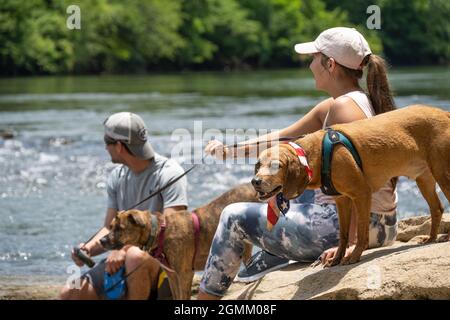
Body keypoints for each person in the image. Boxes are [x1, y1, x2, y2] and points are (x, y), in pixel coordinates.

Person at [199, 27, 398, 299]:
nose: (310, 64)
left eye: (314, 57)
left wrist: (352, 243)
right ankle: (276, 251)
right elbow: (282, 138)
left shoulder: (344, 110)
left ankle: (203, 302)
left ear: (330, 64)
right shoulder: (342, 103)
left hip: (361, 225)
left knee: (233, 216)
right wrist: (229, 151)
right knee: (289, 182)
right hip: (380, 223)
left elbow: (357, 184)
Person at [59, 112, 188, 300]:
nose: (104, 147)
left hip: (163, 266)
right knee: (69, 293)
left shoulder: (170, 173)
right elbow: (108, 228)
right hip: (126, 261)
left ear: (119, 146)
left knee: (134, 256)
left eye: (106, 140)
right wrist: (89, 249)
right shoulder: (116, 177)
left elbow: (173, 230)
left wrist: (124, 249)